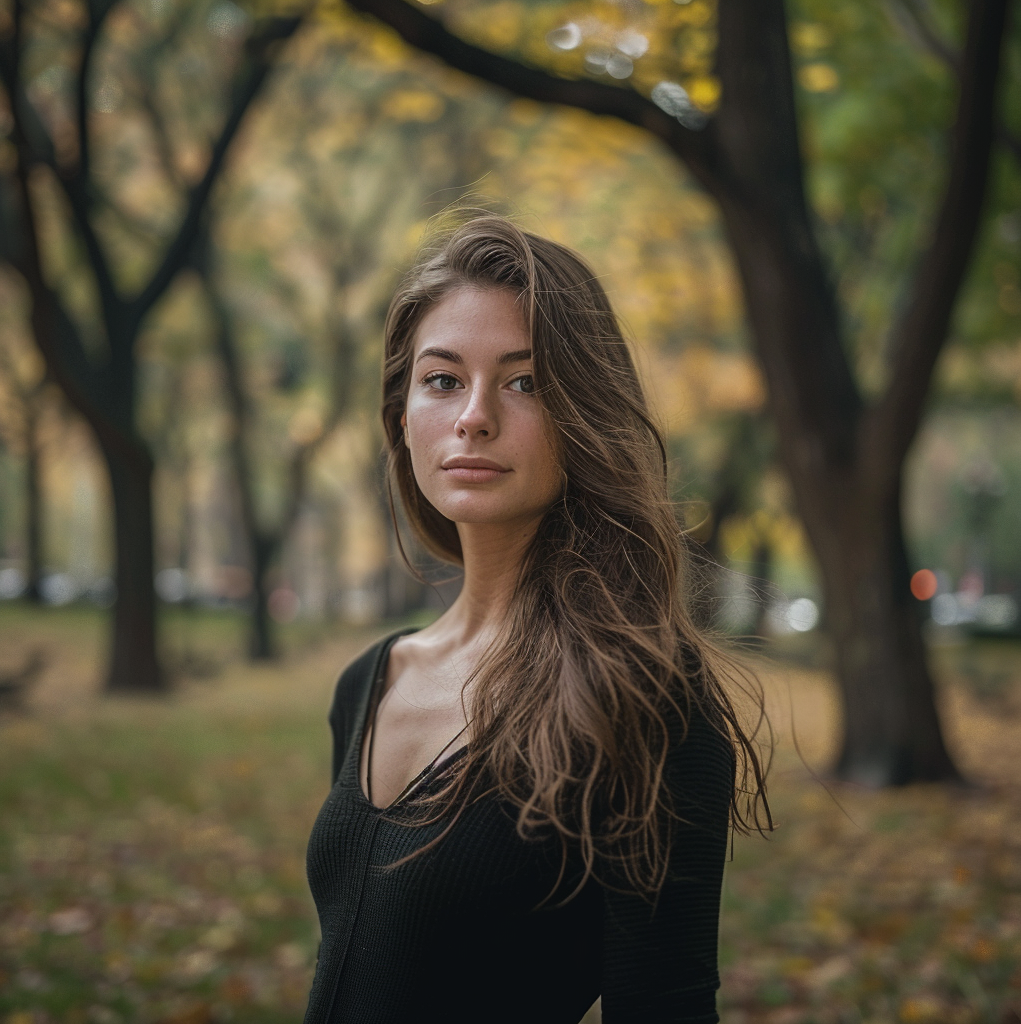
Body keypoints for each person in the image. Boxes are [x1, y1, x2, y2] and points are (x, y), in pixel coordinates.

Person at [303, 215, 769, 1024]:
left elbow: (666, 1009)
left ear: (586, 416)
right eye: (442, 379)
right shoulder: (368, 684)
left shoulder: (642, 702)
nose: (474, 416)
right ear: (401, 414)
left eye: (526, 383)